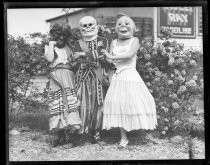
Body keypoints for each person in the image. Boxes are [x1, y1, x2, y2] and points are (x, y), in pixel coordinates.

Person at [101, 15, 157, 148]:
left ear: (134, 28)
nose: (123, 26)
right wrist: (104, 56)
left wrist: (111, 56)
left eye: (127, 23)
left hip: (130, 75)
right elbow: (110, 61)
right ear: (116, 29)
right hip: (118, 76)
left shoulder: (135, 40)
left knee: (135, 103)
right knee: (119, 104)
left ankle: (140, 132)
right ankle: (123, 137)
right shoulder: (114, 42)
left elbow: (129, 55)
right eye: (119, 24)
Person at [72, 16, 111, 144]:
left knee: (97, 105)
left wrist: (83, 55)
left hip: (98, 77)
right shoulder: (78, 43)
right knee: (81, 104)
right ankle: (80, 134)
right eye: (85, 25)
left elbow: (101, 54)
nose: (88, 28)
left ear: (96, 25)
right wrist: (93, 56)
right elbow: (75, 59)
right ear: (80, 28)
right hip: (82, 77)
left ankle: (96, 133)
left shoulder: (103, 40)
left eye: (90, 24)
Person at [44, 24, 82, 147]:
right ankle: (59, 136)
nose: (61, 39)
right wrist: (51, 44)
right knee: (58, 105)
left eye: (63, 37)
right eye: (58, 37)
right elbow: (50, 59)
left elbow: (73, 63)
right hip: (56, 79)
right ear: (53, 36)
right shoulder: (49, 46)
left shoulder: (68, 47)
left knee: (69, 104)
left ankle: (69, 137)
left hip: (68, 78)